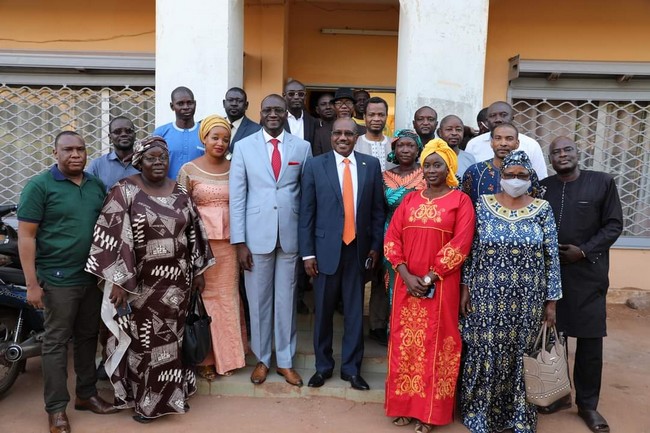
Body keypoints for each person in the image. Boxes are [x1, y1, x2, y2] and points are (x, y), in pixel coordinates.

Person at [85, 136, 214, 423]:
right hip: (139, 285)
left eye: (163, 157)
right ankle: (145, 403)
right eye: (151, 157)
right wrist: (118, 281)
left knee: (172, 342)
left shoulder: (180, 191)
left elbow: (194, 233)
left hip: (177, 283)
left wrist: (198, 272)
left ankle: (173, 396)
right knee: (145, 345)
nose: (158, 162)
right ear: (139, 161)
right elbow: (111, 234)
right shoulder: (124, 190)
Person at [17, 131, 116, 433]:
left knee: (87, 337)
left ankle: (86, 395)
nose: (76, 154)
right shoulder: (40, 186)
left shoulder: (95, 185)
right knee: (57, 343)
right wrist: (32, 284)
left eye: (81, 149)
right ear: (55, 152)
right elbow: (26, 235)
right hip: (58, 280)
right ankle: (56, 410)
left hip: (91, 277)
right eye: (68, 149)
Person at [459, 150, 562, 433]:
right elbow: (470, 250)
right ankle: (481, 411)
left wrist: (551, 302)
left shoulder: (542, 209)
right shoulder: (482, 204)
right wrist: (465, 287)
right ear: (499, 176)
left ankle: (517, 415)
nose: (515, 180)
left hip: (529, 298)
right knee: (487, 349)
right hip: (486, 294)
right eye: (509, 175)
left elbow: (551, 256)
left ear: (530, 178)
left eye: (521, 176)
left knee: (521, 353)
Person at [384, 139, 475, 433]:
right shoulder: (410, 199)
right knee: (404, 345)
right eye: (428, 164)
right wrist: (406, 275)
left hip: (441, 287)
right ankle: (404, 407)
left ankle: (431, 414)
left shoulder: (460, 201)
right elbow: (391, 239)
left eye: (438, 164)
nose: (432, 169)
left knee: (438, 347)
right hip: (405, 285)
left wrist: (430, 277)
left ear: (449, 167)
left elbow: (461, 245)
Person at [539, 136, 623, 433]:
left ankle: (588, 405)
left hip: (588, 273)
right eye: (556, 152)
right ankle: (553, 396)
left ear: (578, 153)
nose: (562, 155)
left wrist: (584, 250)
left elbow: (613, 224)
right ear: (550, 158)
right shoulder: (544, 187)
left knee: (589, 342)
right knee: (552, 338)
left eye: (567, 150)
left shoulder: (601, 182)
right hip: (551, 276)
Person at [229, 94, 312, 387]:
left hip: (290, 237)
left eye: (278, 110)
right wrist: (239, 241)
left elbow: (307, 195)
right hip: (255, 237)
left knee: (286, 301)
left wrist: (307, 242)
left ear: (286, 113)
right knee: (259, 301)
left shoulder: (302, 147)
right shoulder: (243, 147)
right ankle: (262, 359)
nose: (273, 114)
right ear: (260, 113)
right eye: (268, 110)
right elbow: (237, 197)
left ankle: (286, 362)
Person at [299, 118, 384, 391]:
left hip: (357, 251)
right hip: (324, 252)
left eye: (349, 133)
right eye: (338, 133)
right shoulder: (315, 165)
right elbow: (306, 213)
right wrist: (307, 254)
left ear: (357, 136)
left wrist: (375, 246)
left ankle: (351, 370)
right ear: (331, 136)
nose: (343, 137)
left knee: (355, 313)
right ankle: (322, 368)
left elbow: (376, 211)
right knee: (322, 312)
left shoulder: (370, 166)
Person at [177, 115, 247, 380]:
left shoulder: (236, 168)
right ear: (203, 138)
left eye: (226, 139)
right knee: (203, 299)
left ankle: (229, 357)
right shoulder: (188, 169)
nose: (220, 143)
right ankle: (205, 358)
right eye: (215, 137)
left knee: (227, 298)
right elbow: (181, 211)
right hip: (199, 245)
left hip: (229, 244)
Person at [382, 130, 426, 321]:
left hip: (421, 239)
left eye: (411, 146)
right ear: (394, 149)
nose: (405, 150)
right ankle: (396, 336)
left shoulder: (428, 174)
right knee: (394, 287)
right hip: (391, 239)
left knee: (420, 287)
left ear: (418, 150)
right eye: (401, 145)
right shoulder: (383, 177)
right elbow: (378, 210)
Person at [462, 123, 543, 205]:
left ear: (517, 143)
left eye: (509, 139)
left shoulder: (527, 173)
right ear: (491, 142)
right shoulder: (475, 171)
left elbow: (535, 204)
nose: (503, 143)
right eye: (498, 138)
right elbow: (465, 203)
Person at [465, 101, 548, 179]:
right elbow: (469, 177)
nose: (498, 119)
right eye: (493, 115)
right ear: (487, 120)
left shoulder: (531, 145)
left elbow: (540, 178)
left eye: (503, 115)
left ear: (512, 118)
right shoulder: (474, 144)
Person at [153, 86, 203, 179]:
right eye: (180, 104)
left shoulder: (205, 132)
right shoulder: (160, 133)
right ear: (172, 106)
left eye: (189, 103)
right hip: (168, 191)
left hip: (199, 191)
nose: (186, 107)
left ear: (195, 104)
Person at [87, 116, 140, 192]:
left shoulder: (146, 163)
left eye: (128, 131)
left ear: (135, 135)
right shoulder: (97, 165)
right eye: (117, 132)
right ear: (110, 137)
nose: (123, 134)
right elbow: (89, 193)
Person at [312, 88, 366, 155]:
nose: (344, 106)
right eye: (339, 103)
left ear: (353, 106)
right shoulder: (321, 132)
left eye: (348, 103)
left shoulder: (364, 131)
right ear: (334, 106)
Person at [283, 79, 317, 146]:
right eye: (291, 94)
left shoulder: (313, 122)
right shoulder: (276, 120)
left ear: (305, 97)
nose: (296, 97)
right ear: (284, 96)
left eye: (301, 94)